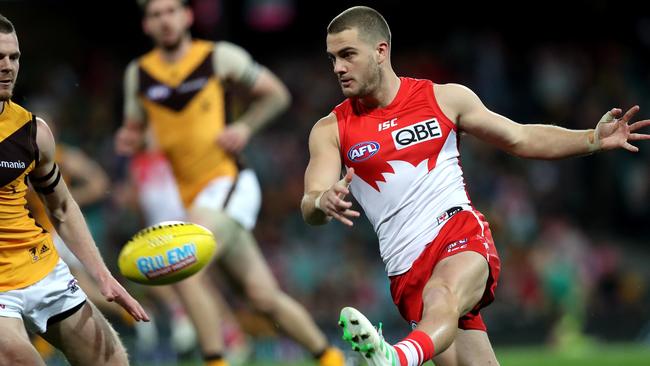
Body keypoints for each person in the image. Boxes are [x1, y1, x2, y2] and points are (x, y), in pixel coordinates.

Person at [301, 6, 650, 366]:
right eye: (332, 58)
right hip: (405, 270)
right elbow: (310, 202)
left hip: (458, 232)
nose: (338, 68)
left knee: (443, 293)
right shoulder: (331, 130)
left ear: (380, 51)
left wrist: (592, 138)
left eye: (347, 55)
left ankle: (396, 359)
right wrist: (321, 201)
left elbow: (520, 137)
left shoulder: (444, 99)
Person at [114, 1, 344, 365]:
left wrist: (244, 126)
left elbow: (277, 94)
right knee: (262, 297)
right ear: (146, 25)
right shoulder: (138, 75)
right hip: (193, 198)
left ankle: (216, 360)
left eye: (172, 10)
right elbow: (137, 131)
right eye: (156, 14)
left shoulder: (219, 57)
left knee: (183, 265)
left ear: (188, 16)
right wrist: (130, 140)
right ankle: (331, 357)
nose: (165, 20)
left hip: (229, 182)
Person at [0, 13, 149, 366]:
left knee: (113, 362)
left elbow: (62, 207)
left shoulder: (33, 133)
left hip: (38, 266)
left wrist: (103, 277)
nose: (7, 67)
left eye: (14, 57)